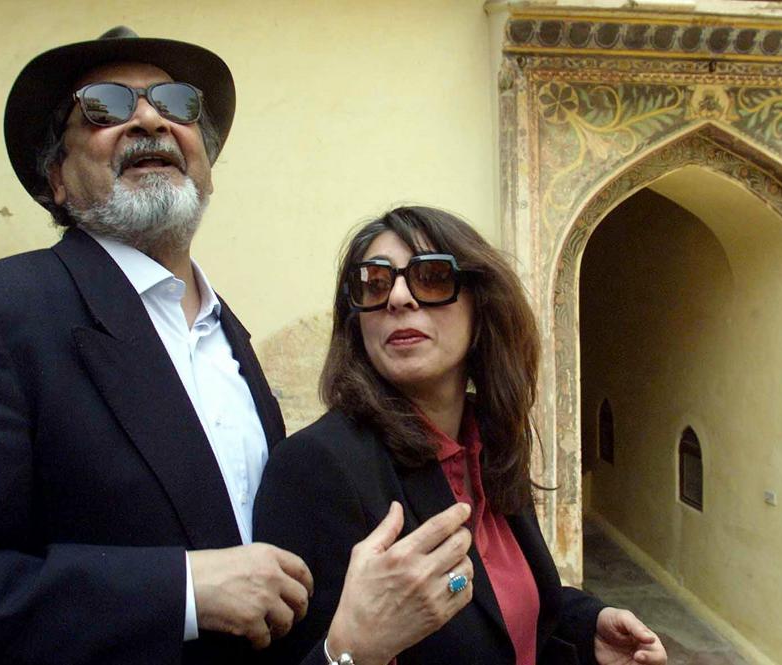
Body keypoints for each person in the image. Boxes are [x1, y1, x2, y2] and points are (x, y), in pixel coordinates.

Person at [0, 27, 319, 664]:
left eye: (177, 103)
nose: (150, 119)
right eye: (104, 106)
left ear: (206, 167)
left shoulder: (226, 332)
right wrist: (181, 592)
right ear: (56, 179)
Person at [254, 206, 669, 665]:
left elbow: (501, 601)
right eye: (374, 282)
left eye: (430, 277)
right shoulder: (316, 469)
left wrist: (588, 626)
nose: (397, 298)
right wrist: (356, 650)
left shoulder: (489, 440)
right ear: (357, 320)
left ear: (481, 305)